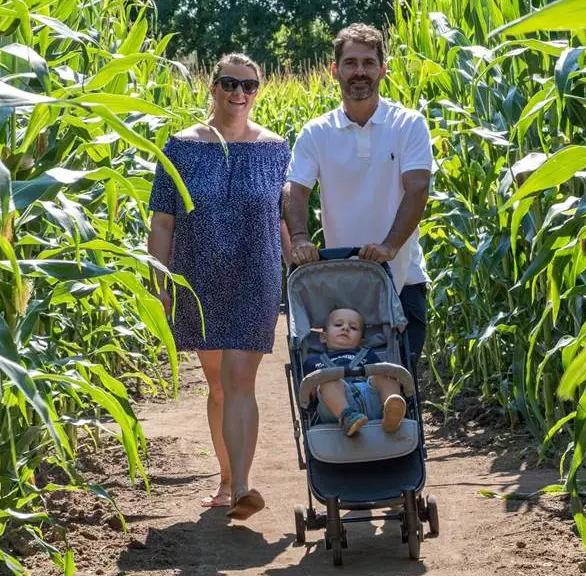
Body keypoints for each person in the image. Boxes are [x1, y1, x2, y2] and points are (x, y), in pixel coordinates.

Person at [147, 53, 290, 521]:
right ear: (212, 88)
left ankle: (244, 486)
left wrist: (303, 269)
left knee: (239, 380)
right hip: (198, 277)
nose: (239, 94)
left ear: (257, 92)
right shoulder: (181, 147)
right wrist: (160, 279)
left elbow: (285, 218)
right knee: (217, 385)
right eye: (229, 84)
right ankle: (227, 480)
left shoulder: (275, 148)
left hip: (256, 272)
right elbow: (163, 222)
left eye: (249, 87)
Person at [284, 23, 434, 369]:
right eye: (350, 63)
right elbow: (295, 188)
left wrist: (389, 246)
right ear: (335, 70)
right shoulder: (317, 132)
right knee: (342, 380)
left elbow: (417, 188)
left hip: (402, 279)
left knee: (401, 385)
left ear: (383, 69)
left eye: (368, 63)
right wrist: (301, 238)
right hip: (342, 286)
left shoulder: (409, 125)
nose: (360, 72)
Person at [302, 308, 406, 436]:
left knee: (386, 376)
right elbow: (308, 390)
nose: (345, 328)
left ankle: (391, 411)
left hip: (370, 398)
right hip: (334, 407)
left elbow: (379, 375)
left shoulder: (368, 354)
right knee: (327, 382)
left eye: (353, 327)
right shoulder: (313, 362)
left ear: (361, 343)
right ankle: (347, 417)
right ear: (323, 337)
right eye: (338, 325)